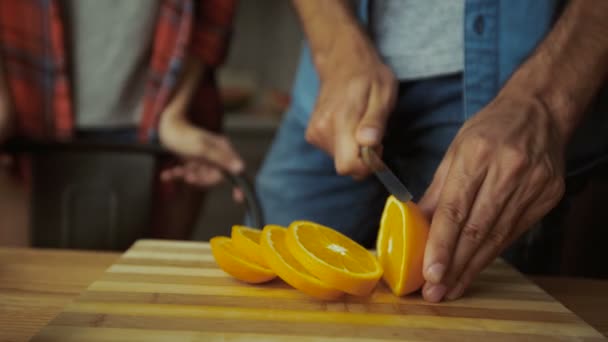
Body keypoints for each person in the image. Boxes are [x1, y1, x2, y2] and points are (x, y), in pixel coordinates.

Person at [255, 0, 608, 303]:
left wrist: (543, 101)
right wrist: (332, 44)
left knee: (462, 297)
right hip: (338, 82)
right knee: (269, 278)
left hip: (502, 98)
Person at [0, 0, 244, 243]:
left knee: (148, 279)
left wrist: (174, 113)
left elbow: (213, 17)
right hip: (24, 120)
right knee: (31, 276)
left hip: (164, 128)